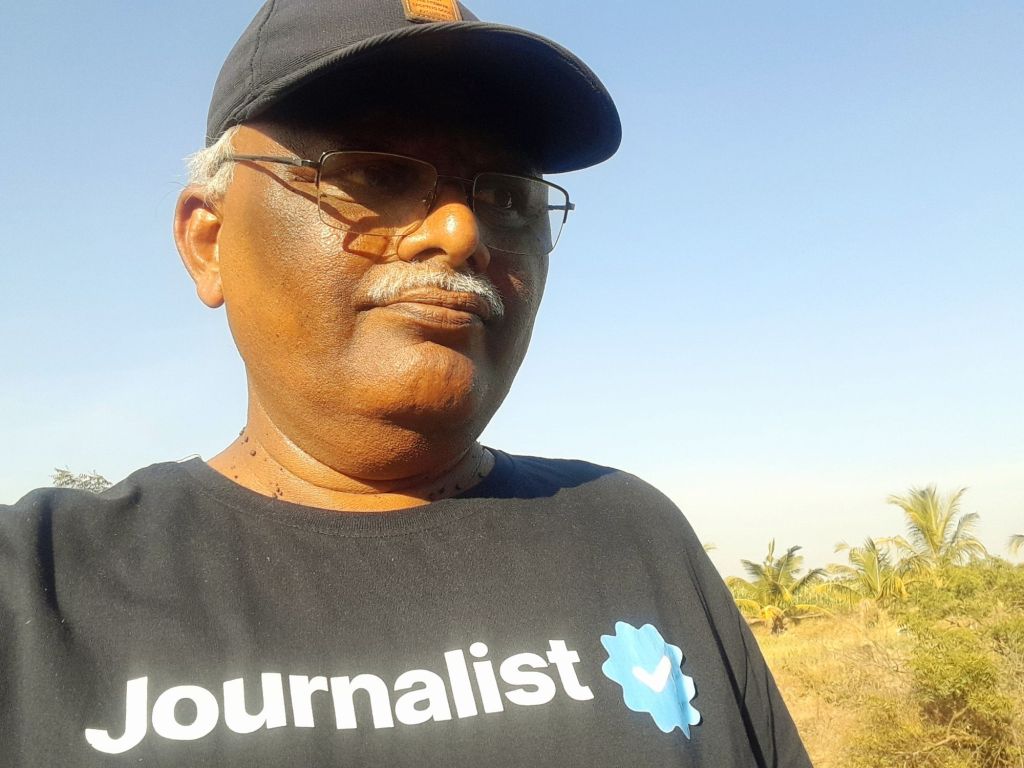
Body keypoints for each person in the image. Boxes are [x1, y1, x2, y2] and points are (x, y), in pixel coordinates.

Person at [0, 1, 813, 766]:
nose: (461, 231)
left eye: (507, 195)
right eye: (374, 174)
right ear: (209, 243)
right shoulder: (40, 589)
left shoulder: (632, 536)